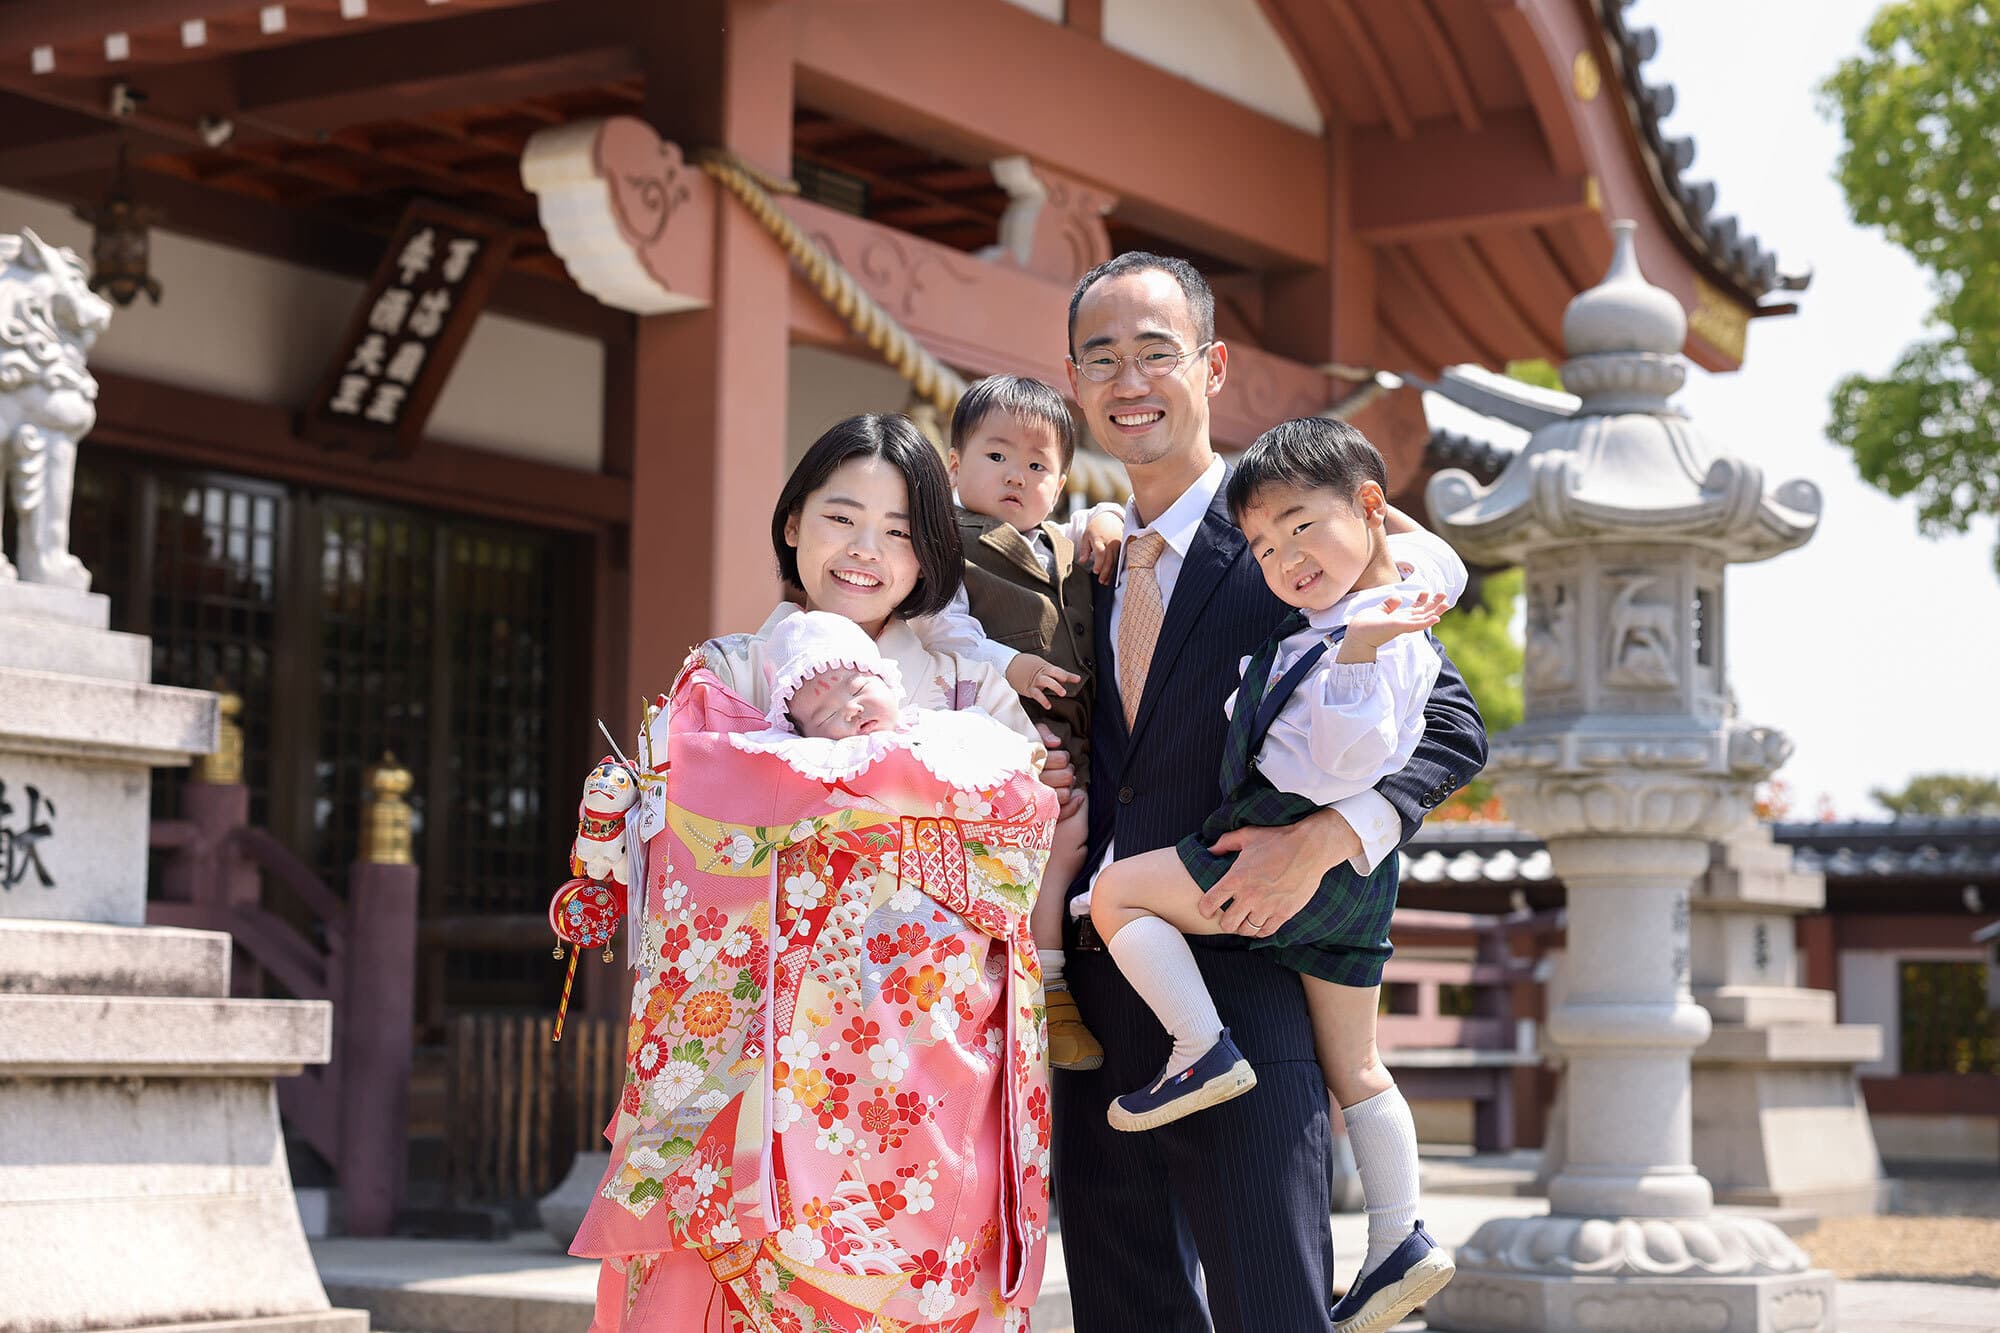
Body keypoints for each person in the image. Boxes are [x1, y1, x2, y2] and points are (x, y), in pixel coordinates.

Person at [1051, 252, 1488, 1333]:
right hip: (1096, 996)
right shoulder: (1087, 557)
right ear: (1073, 381)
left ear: (1213, 365)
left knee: (1269, 1297)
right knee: (1123, 1300)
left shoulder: (1292, 535)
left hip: (1251, 966)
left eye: (1155, 352)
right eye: (1100, 358)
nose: (1128, 378)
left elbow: (1451, 721)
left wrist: (1329, 838)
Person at [571, 413, 1076, 1333]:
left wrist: (822, 814)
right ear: (793, 522)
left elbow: (1021, 841)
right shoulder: (724, 675)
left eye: (899, 532)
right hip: (757, 1054)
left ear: (930, 555)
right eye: (842, 518)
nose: (865, 552)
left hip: (934, 1053)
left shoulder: (975, 686)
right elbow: (692, 849)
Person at [917, 373, 1124, 1071]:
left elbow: (1090, 528)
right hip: (998, 736)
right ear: (954, 465)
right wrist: (1010, 666)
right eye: (997, 455)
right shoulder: (946, 539)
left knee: (1080, 839)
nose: (1017, 475)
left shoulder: (1060, 542)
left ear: (1062, 481)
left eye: (1038, 465)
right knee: (1055, 844)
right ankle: (1048, 989)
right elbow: (941, 629)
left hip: (1077, 738)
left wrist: (1107, 521)